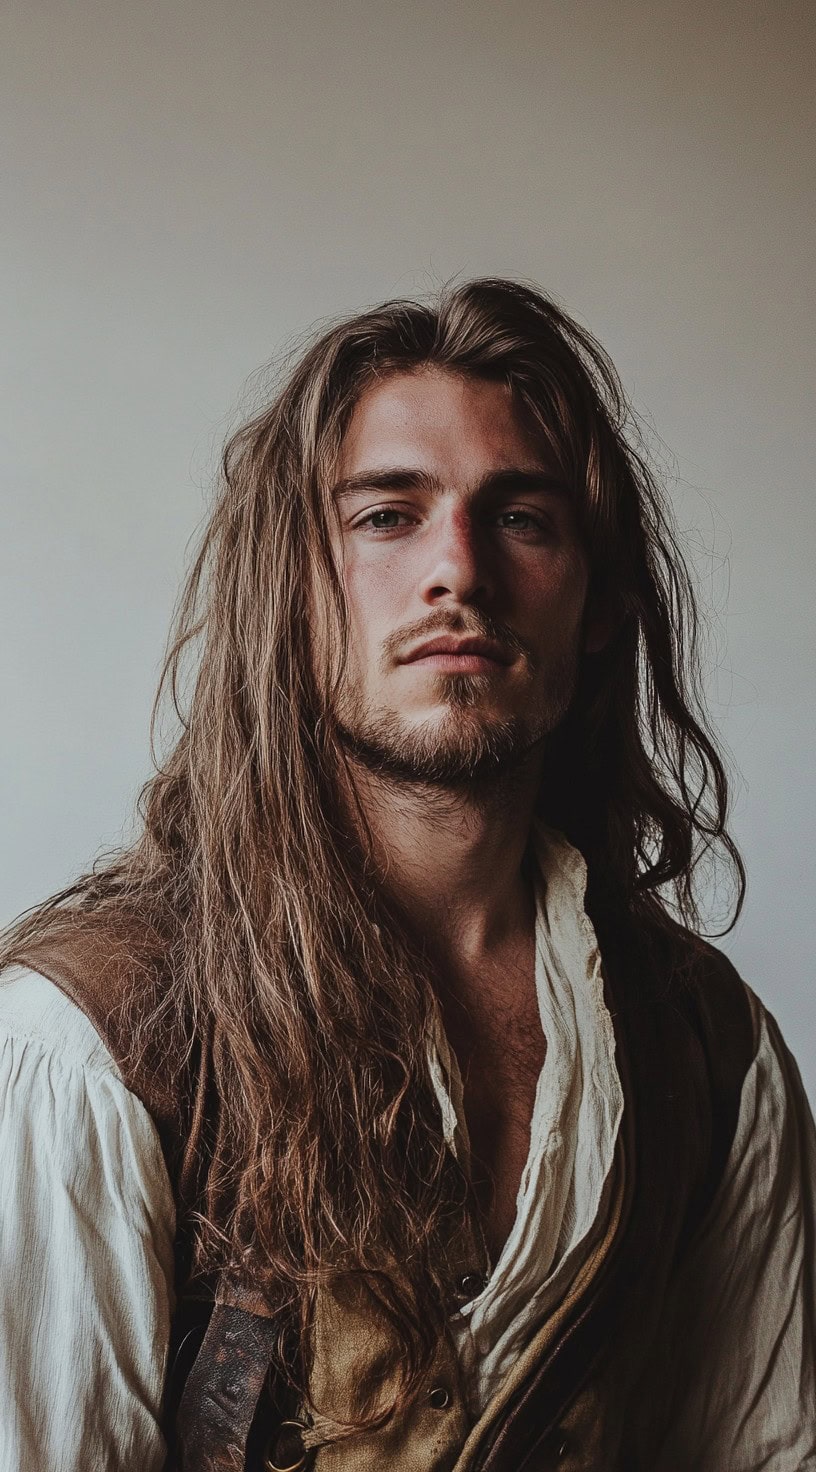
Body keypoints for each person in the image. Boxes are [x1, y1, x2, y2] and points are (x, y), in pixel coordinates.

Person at [0, 277, 814, 1472]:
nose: (460, 572)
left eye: (523, 519)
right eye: (389, 515)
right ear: (295, 587)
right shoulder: (94, 1041)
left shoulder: (710, 1050)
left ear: (598, 604)